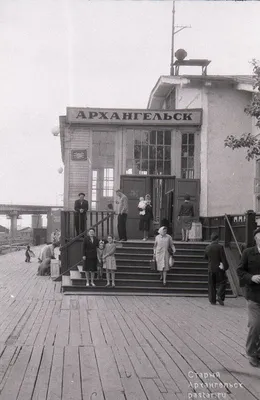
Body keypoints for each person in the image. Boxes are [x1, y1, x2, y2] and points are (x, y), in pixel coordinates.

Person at [237, 227, 260, 368]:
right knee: (255, 325)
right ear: (256, 238)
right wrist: (252, 277)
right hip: (254, 296)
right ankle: (252, 353)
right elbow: (239, 271)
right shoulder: (248, 253)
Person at [204, 233, 229, 306]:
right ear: (217, 239)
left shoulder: (207, 247)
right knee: (223, 282)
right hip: (219, 268)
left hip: (210, 268)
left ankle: (212, 300)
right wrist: (225, 266)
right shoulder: (220, 247)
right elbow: (223, 258)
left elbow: (205, 257)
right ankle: (219, 294)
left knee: (211, 284)